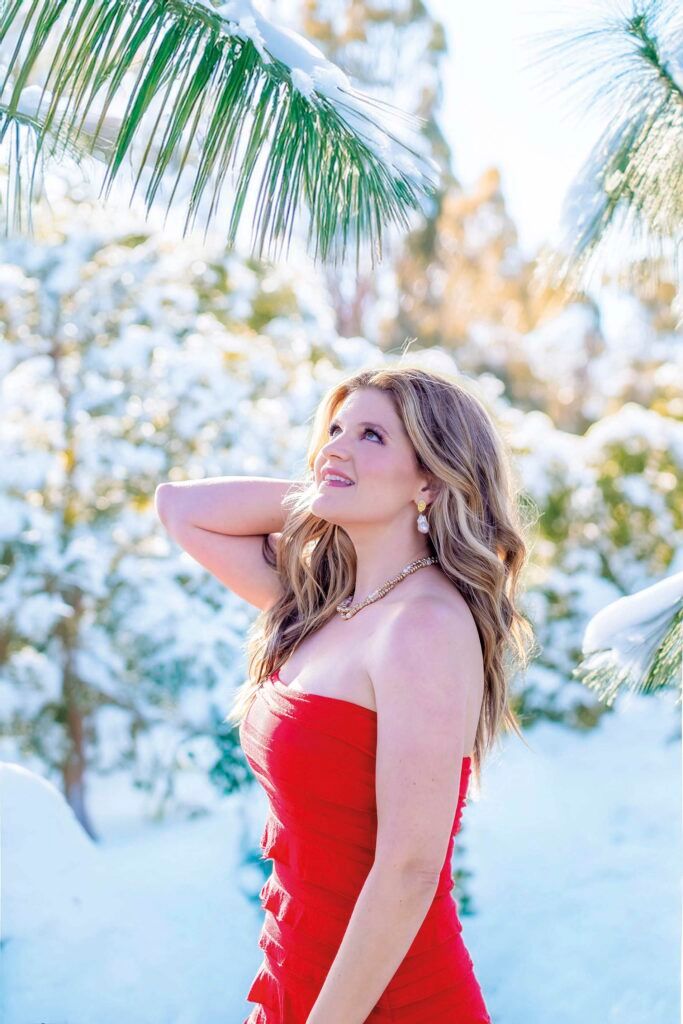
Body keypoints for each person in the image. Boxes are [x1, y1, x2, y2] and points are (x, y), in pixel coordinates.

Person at [155, 364, 534, 1023]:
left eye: (371, 436)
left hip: (385, 1001)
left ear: (430, 479)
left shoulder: (423, 626)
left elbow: (409, 870)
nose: (335, 448)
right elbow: (180, 509)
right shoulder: (325, 603)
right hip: (300, 976)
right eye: (333, 430)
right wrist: (338, 484)